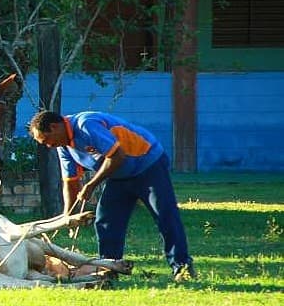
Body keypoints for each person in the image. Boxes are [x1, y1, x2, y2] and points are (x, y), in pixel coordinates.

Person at [27, 110, 196, 282]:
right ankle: (110, 270)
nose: (48, 145)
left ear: (55, 127)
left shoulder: (86, 125)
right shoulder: (64, 147)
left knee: (165, 215)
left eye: (46, 140)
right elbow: (71, 181)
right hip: (120, 176)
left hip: (148, 164)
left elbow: (117, 156)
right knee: (106, 221)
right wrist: (68, 216)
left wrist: (92, 184)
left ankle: (182, 268)